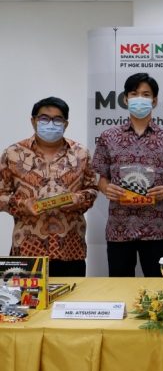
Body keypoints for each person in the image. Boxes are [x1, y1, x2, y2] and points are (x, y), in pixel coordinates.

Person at [92, 73, 163, 277]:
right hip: (119, 227)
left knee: (158, 286)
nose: (139, 99)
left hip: (156, 227)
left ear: (155, 100)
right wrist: (106, 188)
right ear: (125, 99)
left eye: (145, 94)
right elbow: (101, 178)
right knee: (119, 286)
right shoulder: (108, 136)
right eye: (134, 94)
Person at [0, 97, 98, 276]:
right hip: (27, 250)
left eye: (57, 119)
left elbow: (92, 190)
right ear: (33, 121)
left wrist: (78, 199)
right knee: (28, 295)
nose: (51, 124)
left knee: (73, 295)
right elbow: (1, 195)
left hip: (70, 249)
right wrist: (23, 204)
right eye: (44, 118)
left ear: (65, 124)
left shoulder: (81, 153)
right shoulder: (13, 153)